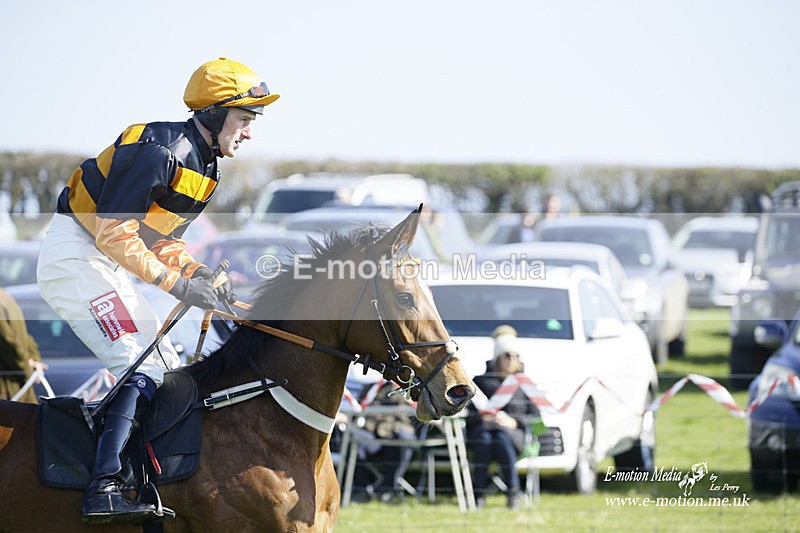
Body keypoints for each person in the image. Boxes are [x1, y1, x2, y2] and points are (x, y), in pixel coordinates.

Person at [36, 58, 279, 525]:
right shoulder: (156, 147)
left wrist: (199, 274)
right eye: (245, 120)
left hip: (103, 262)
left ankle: (143, 480)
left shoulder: (205, 167)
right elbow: (114, 234)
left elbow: (160, 241)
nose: (249, 133)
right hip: (76, 256)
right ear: (213, 113)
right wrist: (179, 284)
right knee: (141, 362)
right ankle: (102, 486)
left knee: (171, 371)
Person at [466, 325, 537, 509]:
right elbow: (468, 415)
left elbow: (536, 415)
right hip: (484, 430)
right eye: (507, 355)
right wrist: (482, 418)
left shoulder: (524, 383)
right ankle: (479, 495)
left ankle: (513, 493)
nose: (512, 360)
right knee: (485, 439)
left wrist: (514, 421)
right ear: (498, 357)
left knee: (501, 439)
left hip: (512, 433)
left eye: (516, 356)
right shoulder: (480, 382)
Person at [0, 287, 44, 404]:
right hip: (16, 384)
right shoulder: (5, 297)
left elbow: (8, 342)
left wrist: (27, 369)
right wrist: (33, 362)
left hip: (8, 387)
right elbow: (25, 337)